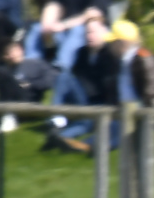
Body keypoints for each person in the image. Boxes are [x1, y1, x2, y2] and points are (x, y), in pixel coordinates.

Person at [45, 17, 120, 154]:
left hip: (101, 103)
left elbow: (110, 88)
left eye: (92, 32)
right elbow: (74, 78)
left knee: (86, 122)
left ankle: (62, 138)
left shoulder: (111, 55)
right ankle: (56, 121)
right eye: (87, 33)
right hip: (83, 98)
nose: (89, 36)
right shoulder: (81, 52)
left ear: (104, 31)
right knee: (64, 76)